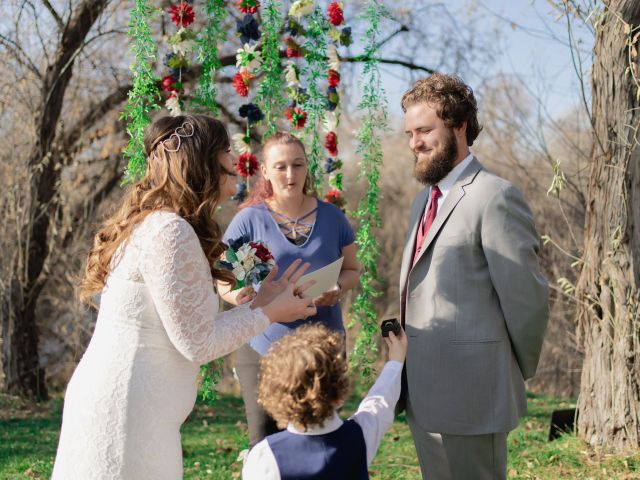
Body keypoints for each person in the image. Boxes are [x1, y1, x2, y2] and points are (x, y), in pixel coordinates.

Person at [51, 114, 317, 480]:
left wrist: (262, 302)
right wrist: (270, 313)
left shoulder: (162, 224)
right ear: (202, 170)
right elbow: (199, 343)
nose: (234, 184)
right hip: (126, 414)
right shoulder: (169, 233)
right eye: (227, 170)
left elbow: (192, 327)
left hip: (143, 413)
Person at [399, 73, 549, 479]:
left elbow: (526, 300)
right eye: (410, 133)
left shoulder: (495, 196)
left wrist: (504, 370)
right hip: (423, 393)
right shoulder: (421, 202)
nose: (415, 142)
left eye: (426, 130)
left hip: (474, 392)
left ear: (459, 125)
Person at [219, 131, 360, 447]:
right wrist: (238, 295)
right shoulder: (248, 220)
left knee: (322, 445)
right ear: (265, 171)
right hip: (263, 349)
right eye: (280, 166)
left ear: (307, 167)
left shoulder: (333, 217)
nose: (290, 174)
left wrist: (337, 287)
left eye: (297, 165)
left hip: (322, 353)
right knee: (265, 445)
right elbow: (223, 278)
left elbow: (353, 270)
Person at [242, 323, 407, 479]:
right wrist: (396, 360)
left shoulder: (264, 456)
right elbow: (381, 400)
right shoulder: (361, 435)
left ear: (275, 394)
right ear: (340, 386)